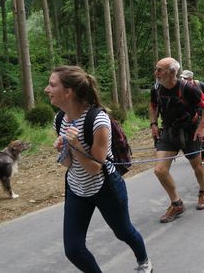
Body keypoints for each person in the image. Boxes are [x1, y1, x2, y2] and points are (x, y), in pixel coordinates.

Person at [46, 65, 152, 273]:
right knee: (73, 250)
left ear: (68, 92)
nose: (46, 90)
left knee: (123, 232)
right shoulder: (59, 119)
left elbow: (95, 167)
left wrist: (75, 146)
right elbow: (68, 164)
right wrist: (63, 150)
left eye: (52, 85)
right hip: (77, 188)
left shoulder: (98, 120)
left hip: (105, 187)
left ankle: (144, 262)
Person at [149, 57, 204, 222]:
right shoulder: (156, 88)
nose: (156, 73)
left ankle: (203, 190)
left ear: (172, 72)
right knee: (159, 170)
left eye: (159, 70)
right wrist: (154, 124)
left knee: (196, 165)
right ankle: (176, 204)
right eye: (156, 69)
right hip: (168, 132)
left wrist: (201, 127)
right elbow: (153, 105)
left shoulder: (188, 88)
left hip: (190, 132)